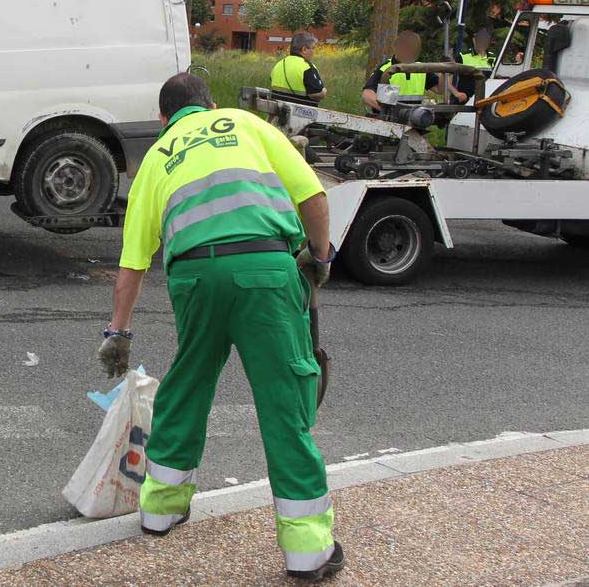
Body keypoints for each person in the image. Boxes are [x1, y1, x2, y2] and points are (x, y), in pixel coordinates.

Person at [98, 72, 343, 581]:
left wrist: (118, 334)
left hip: (193, 277)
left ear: (165, 119)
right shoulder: (246, 124)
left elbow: (132, 265)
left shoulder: (157, 159)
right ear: (210, 104)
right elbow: (313, 197)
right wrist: (319, 259)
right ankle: (307, 550)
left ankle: (160, 509)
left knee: (189, 382)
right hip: (264, 270)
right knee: (283, 400)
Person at [361, 31, 438, 114]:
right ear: (396, 48)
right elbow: (367, 94)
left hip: (413, 120)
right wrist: (385, 110)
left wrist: (446, 72)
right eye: (406, 49)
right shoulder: (386, 68)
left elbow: (439, 89)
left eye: (412, 49)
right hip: (388, 121)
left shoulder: (421, 69)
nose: (408, 53)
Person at [270, 32, 328, 106]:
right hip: (301, 112)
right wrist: (324, 92)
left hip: (277, 108)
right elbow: (316, 93)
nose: (314, 52)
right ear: (304, 49)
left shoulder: (279, 64)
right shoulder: (307, 66)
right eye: (313, 48)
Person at [450, 27, 496, 104]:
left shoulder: (494, 58)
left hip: (486, 102)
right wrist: (456, 93)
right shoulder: (462, 57)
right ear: (474, 39)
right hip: (466, 103)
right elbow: (444, 76)